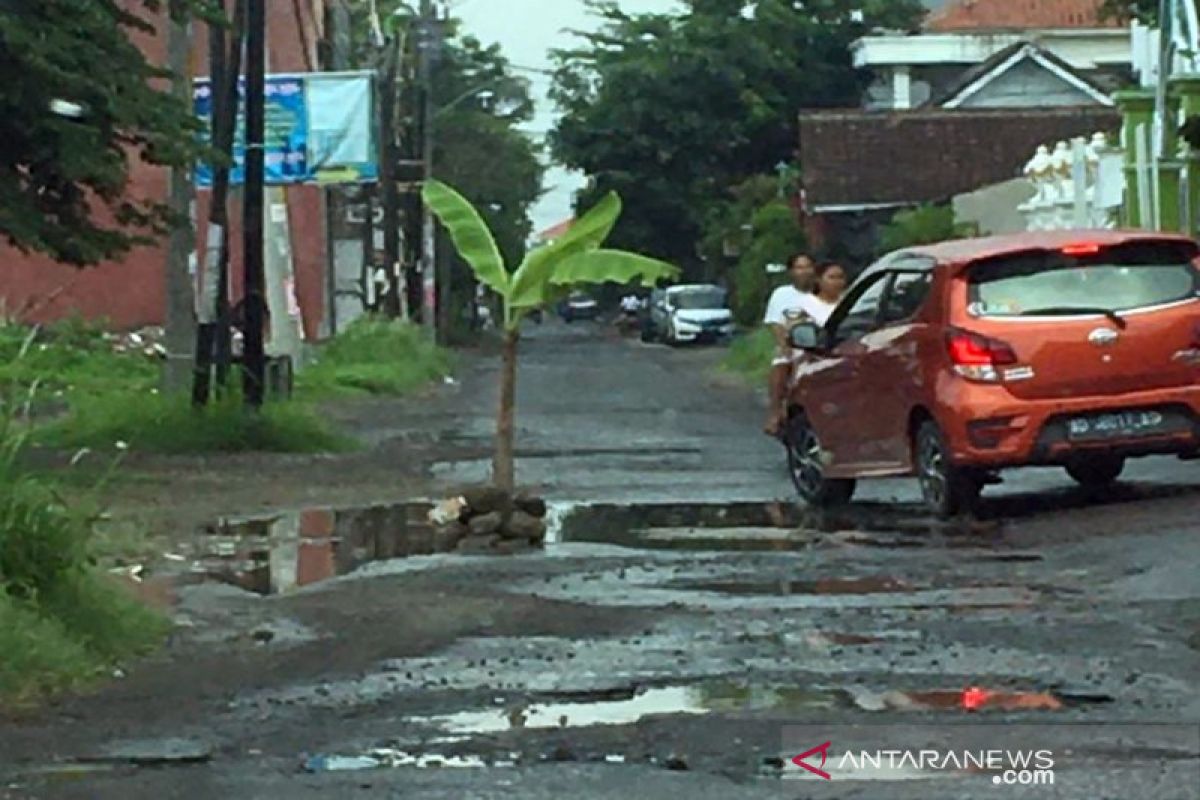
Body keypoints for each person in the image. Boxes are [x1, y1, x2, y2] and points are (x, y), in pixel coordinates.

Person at [763, 253, 823, 436]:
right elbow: (774, 322)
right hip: (793, 344)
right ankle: (775, 412)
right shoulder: (782, 294)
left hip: (820, 345)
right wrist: (784, 346)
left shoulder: (824, 293)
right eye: (799, 267)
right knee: (780, 364)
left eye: (808, 267)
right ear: (791, 271)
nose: (804, 271)